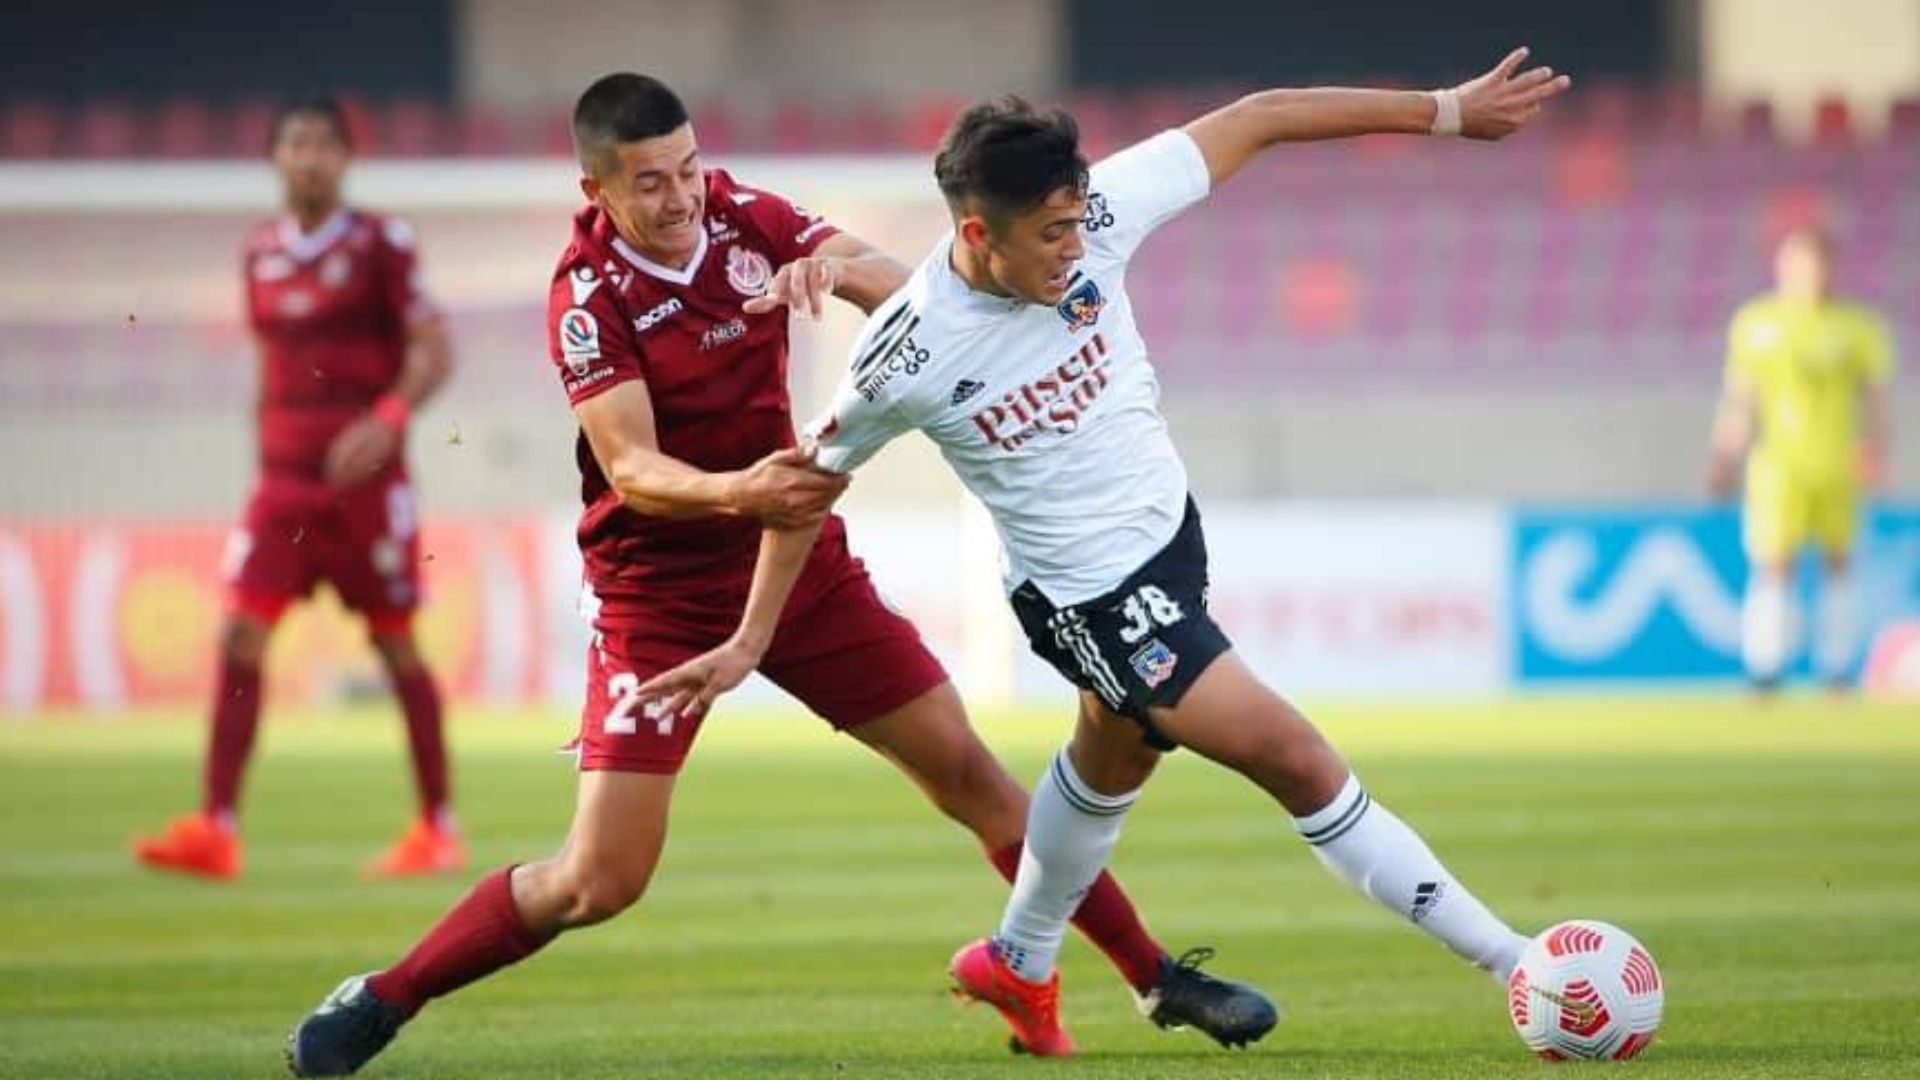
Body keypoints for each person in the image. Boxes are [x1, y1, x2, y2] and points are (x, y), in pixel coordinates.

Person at [284, 73, 1273, 1077]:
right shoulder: (587, 298)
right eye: (651, 186)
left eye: (688, 169)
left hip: (799, 571)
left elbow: (900, 282)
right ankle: (385, 996)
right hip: (658, 600)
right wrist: (739, 491)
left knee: (974, 778)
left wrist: (835, 277)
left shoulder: (745, 216)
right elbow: (631, 470)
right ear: (596, 192)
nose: (682, 200)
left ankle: (1155, 977)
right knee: (600, 880)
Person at [635, 49, 1573, 1053]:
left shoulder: (1100, 214)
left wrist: (1443, 111)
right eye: (1049, 236)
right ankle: (1518, 966)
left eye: (1077, 222)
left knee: (1108, 761)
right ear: (976, 235)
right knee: (1294, 758)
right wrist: (746, 643)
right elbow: (800, 492)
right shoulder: (904, 356)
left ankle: (1019, 958)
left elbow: (1262, 113)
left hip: (1170, 542)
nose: (1074, 250)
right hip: (1087, 599)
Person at [132, 97, 460, 882]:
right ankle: (216, 825)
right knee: (239, 636)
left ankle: (436, 826)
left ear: (346, 158)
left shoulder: (383, 245)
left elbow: (435, 348)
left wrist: (387, 418)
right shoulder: (259, 254)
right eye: (294, 144)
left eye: (322, 145)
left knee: (395, 645)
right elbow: (267, 366)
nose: (308, 157)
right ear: (275, 159)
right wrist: (265, 456)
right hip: (282, 489)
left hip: (366, 490)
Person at [1709, 226, 1897, 691]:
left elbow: (1876, 398)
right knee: (1775, 561)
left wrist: (1876, 449)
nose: (1807, 275)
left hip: (1837, 463)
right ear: (1782, 267)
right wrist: (1725, 452)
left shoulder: (1858, 326)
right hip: (1777, 466)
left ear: (1830, 270)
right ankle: (1766, 669)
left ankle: (1837, 668)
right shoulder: (1756, 322)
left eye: (1816, 265)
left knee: (1840, 561)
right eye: (1798, 264)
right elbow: (1741, 397)